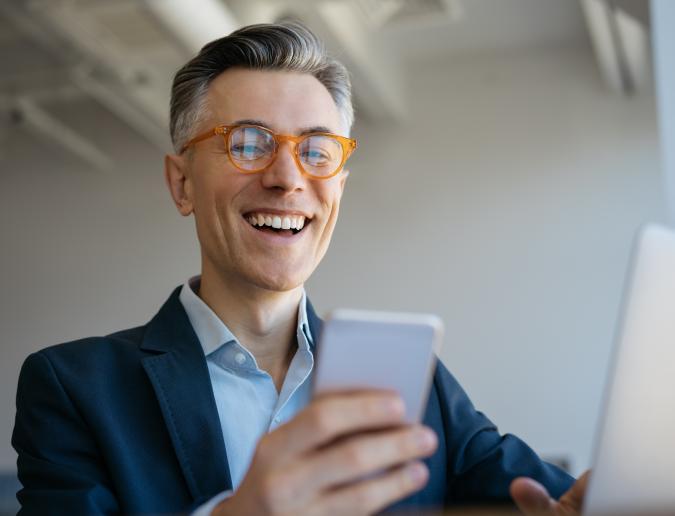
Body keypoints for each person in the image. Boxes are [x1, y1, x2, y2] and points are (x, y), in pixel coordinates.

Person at [12, 21, 588, 515]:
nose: (288, 178)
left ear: (337, 184)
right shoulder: (75, 388)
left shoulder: (411, 381)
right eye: (248, 142)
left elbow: (553, 500)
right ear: (181, 182)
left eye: (316, 150)